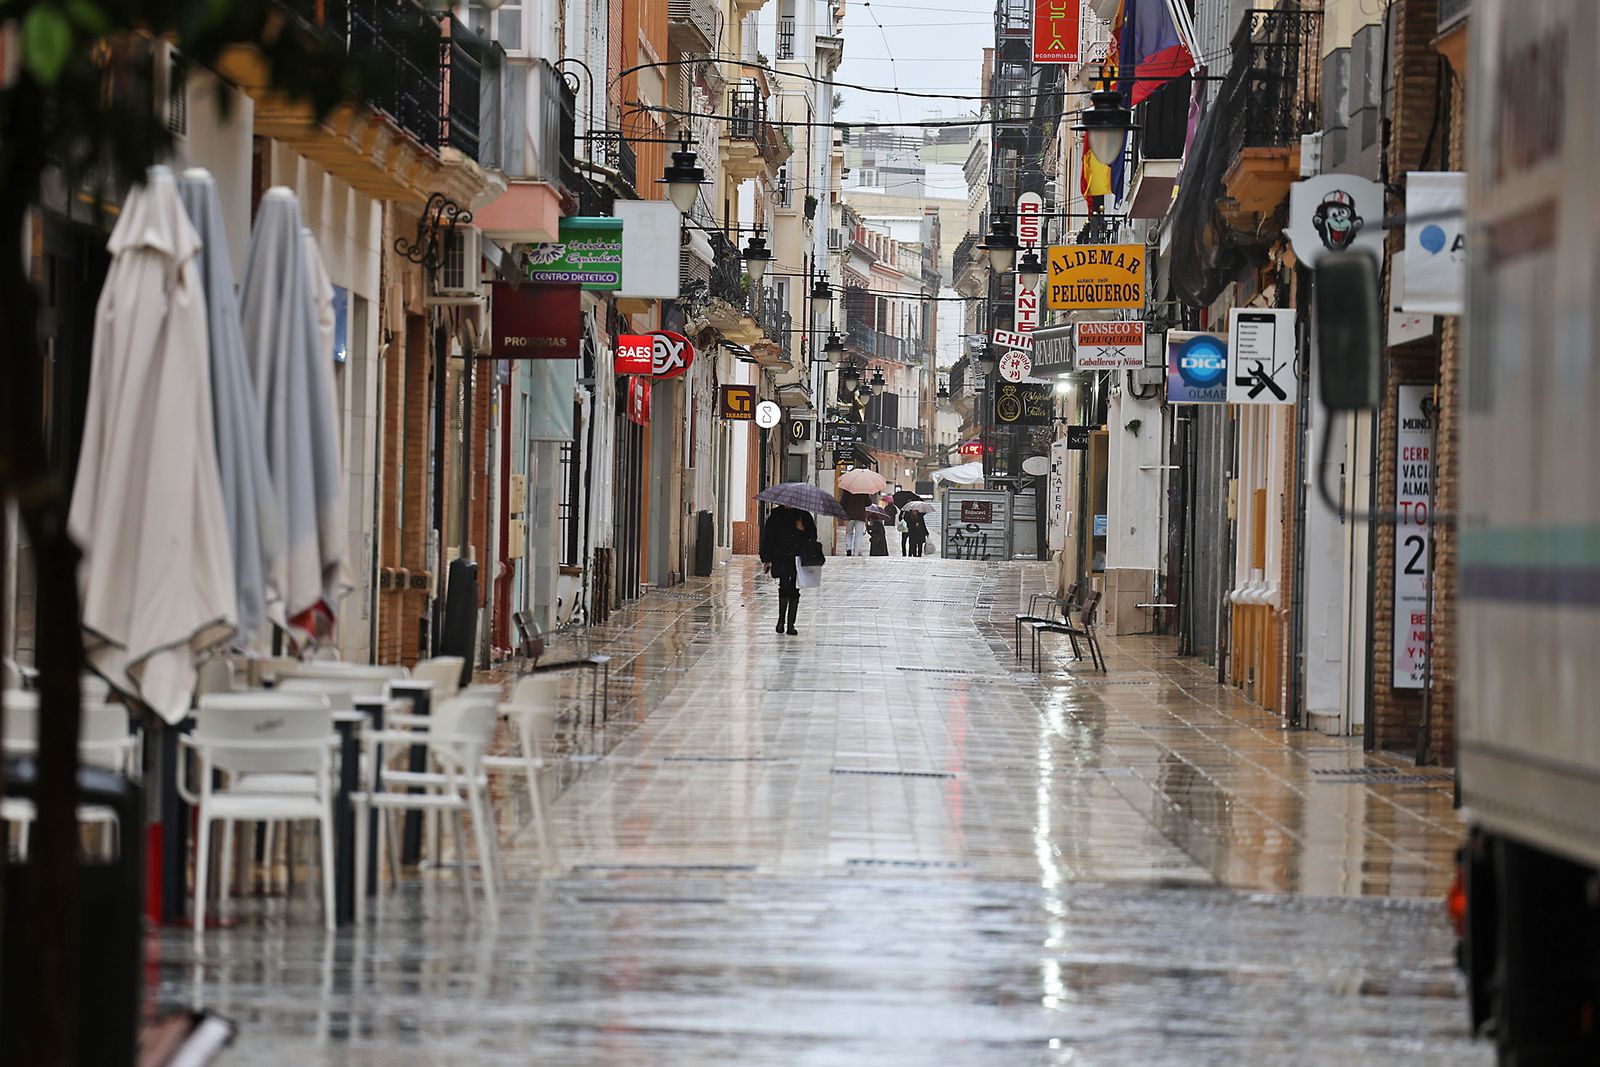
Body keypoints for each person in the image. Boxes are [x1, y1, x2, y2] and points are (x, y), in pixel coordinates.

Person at [759, 504, 818, 635]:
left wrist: (802, 529)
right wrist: (767, 559)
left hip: (798, 557)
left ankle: (791, 624)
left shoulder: (803, 515)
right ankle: (781, 621)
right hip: (781, 557)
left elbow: (813, 537)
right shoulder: (775, 516)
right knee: (784, 587)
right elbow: (768, 538)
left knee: (795, 589)